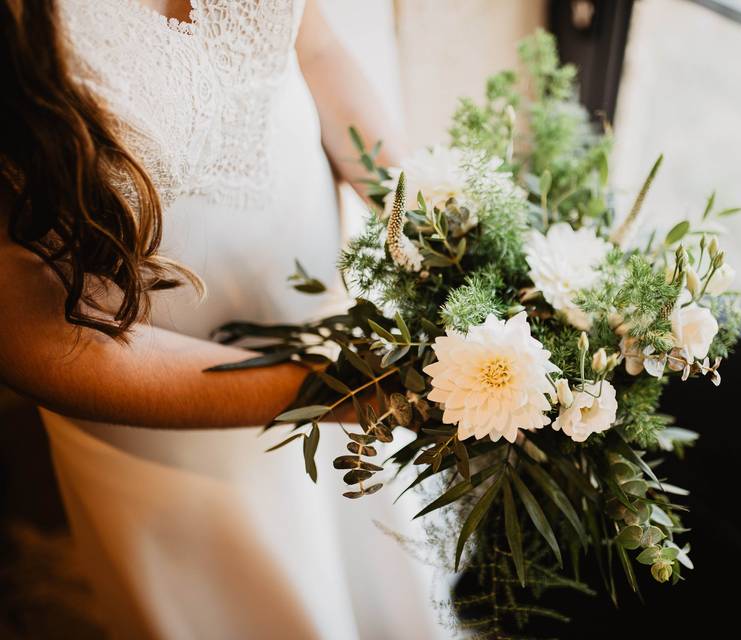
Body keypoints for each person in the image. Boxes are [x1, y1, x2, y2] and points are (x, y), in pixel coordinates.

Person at [0, 1, 445, 638]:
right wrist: (336, 391)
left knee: (381, 575)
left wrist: (440, 240)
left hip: (336, 333)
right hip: (165, 420)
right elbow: (25, 332)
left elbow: (314, 52)